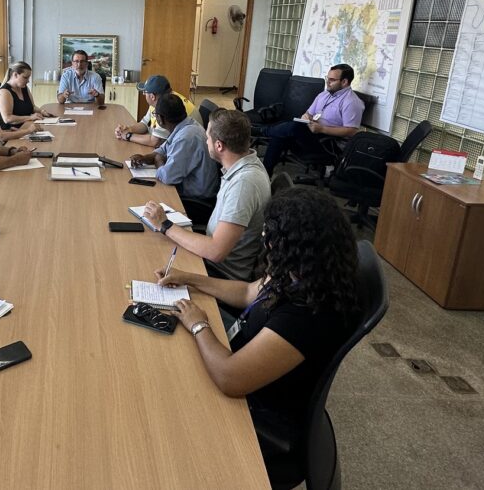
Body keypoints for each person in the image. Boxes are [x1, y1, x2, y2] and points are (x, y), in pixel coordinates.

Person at [154, 186, 359, 481]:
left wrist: (199, 324)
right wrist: (190, 279)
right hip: (245, 361)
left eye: (271, 238)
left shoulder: (308, 315)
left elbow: (230, 378)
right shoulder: (303, 272)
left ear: (295, 247)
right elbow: (250, 292)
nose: (265, 241)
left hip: (259, 412)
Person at [142, 109, 270, 281]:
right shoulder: (246, 163)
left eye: (208, 137)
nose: (205, 140)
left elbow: (216, 251)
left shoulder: (244, 184)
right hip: (211, 260)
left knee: (146, 262)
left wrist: (165, 225)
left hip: (221, 273)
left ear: (219, 145)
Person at [261, 63, 365, 175]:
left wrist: (322, 129)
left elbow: (352, 131)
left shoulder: (352, 102)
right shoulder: (324, 95)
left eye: (332, 80)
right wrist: (306, 117)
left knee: (293, 127)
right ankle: (265, 175)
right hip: (313, 134)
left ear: (344, 82)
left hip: (329, 143)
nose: (328, 82)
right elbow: (309, 113)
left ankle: (263, 132)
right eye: (327, 78)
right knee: (280, 136)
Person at [129, 94, 217, 203]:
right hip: (187, 189)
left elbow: (167, 176)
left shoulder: (187, 137)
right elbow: (163, 149)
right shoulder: (184, 124)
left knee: (143, 199)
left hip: (195, 200)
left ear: (160, 119)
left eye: (155, 114)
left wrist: (158, 161)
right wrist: (145, 158)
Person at [115, 74, 201, 146]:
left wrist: (128, 136)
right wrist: (129, 129)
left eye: (145, 92)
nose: (144, 94)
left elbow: (155, 141)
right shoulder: (159, 99)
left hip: (187, 146)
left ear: (152, 96)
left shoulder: (168, 106)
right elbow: (145, 124)